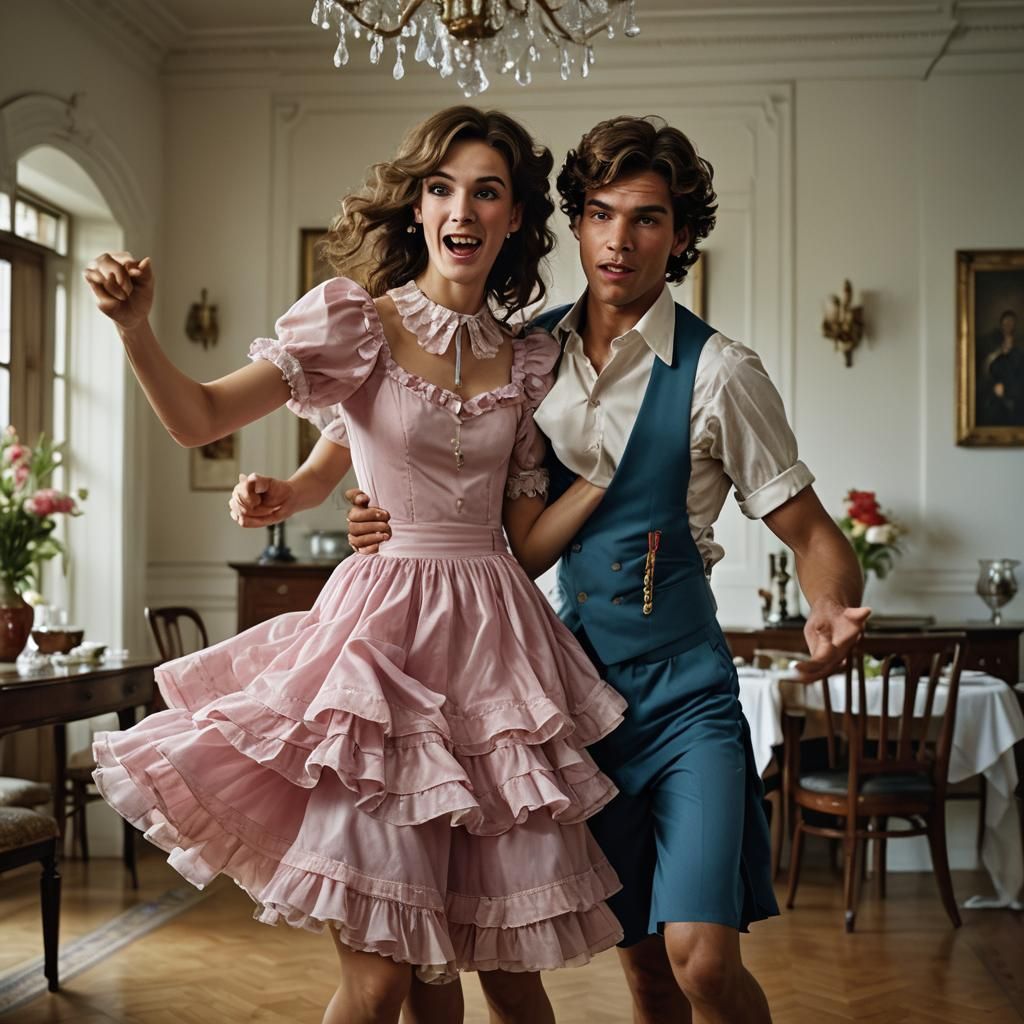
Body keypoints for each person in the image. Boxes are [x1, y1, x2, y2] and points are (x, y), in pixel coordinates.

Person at [315, 115, 870, 1024]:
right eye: (602, 214)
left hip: (689, 699)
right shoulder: (522, 353)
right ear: (574, 224)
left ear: (682, 236)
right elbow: (445, 479)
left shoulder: (723, 373)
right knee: (644, 969)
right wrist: (372, 511)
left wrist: (833, 606)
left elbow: (812, 533)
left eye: (648, 219)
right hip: (569, 704)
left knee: (700, 962)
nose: (620, 240)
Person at [84, 106, 634, 1024]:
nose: (462, 207)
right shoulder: (357, 325)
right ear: (419, 209)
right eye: (442, 188)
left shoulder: (533, 359)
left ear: (512, 219)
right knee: (383, 978)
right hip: (379, 652)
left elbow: (525, 536)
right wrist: (138, 330)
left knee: (500, 970)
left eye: (486, 191)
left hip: (498, 647)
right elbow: (200, 418)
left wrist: (608, 479)